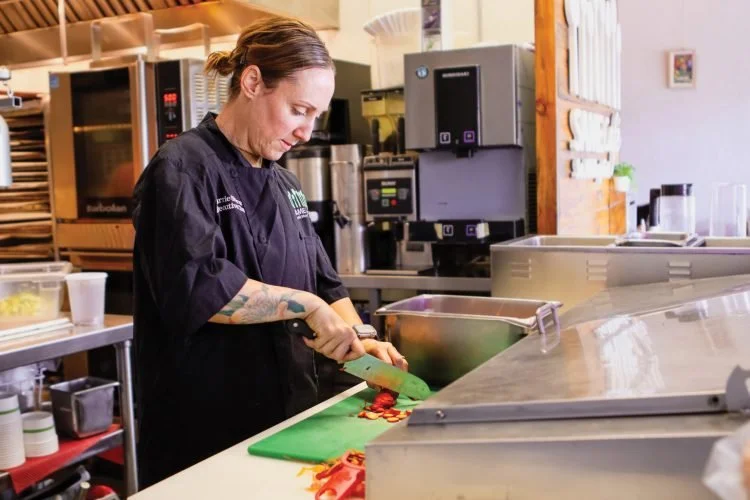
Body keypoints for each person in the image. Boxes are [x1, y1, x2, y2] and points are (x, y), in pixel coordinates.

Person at [132, 17, 407, 487]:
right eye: (299, 109)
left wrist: (361, 339)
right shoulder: (182, 170)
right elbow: (202, 287)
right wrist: (311, 308)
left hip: (287, 422)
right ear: (253, 81)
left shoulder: (284, 181)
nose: (307, 131)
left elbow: (322, 281)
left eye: (316, 115)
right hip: (206, 433)